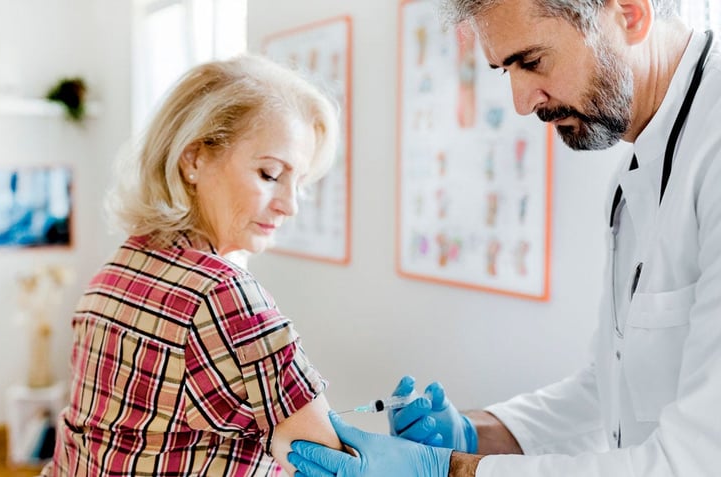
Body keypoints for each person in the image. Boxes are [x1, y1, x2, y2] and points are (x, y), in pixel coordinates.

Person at [288, 0, 721, 475]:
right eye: (504, 70)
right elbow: (612, 388)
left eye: (532, 62)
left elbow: (696, 460)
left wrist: (449, 469)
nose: (521, 103)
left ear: (630, 14)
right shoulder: (637, 169)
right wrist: (484, 432)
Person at [40, 54, 344, 476]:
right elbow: (333, 464)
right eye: (270, 174)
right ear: (194, 158)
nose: (290, 205)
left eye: (301, 183)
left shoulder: (114, 274)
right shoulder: (222, 294)